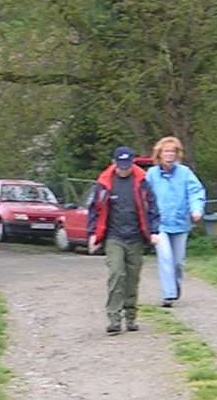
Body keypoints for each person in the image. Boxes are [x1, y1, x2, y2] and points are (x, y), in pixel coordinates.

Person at [87, 146, 159, 334]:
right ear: (114, 163)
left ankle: (131, 316)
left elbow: (152, 208)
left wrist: (154, 231)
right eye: (121, 166)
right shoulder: (104, 183)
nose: (124, 169)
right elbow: (95, 209)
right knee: (117, 274)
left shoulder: (142, 182)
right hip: (113, 236)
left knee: (132, 278)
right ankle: (114, 318)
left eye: (127, 166)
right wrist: (93, 233)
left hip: (136, 236)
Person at [143, 136, 205, 307]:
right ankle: (168, 294)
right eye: (166, 151)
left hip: (180, 223)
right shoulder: (151, 175)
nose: (169, 154)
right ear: (159, 154)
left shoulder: (185, 173)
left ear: (177, 154)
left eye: (172, 151)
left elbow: (196, 192)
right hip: (160, 224)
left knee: (178, 261)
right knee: (166, 257)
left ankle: (175, 286)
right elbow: (144, 197)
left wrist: (196, 209)